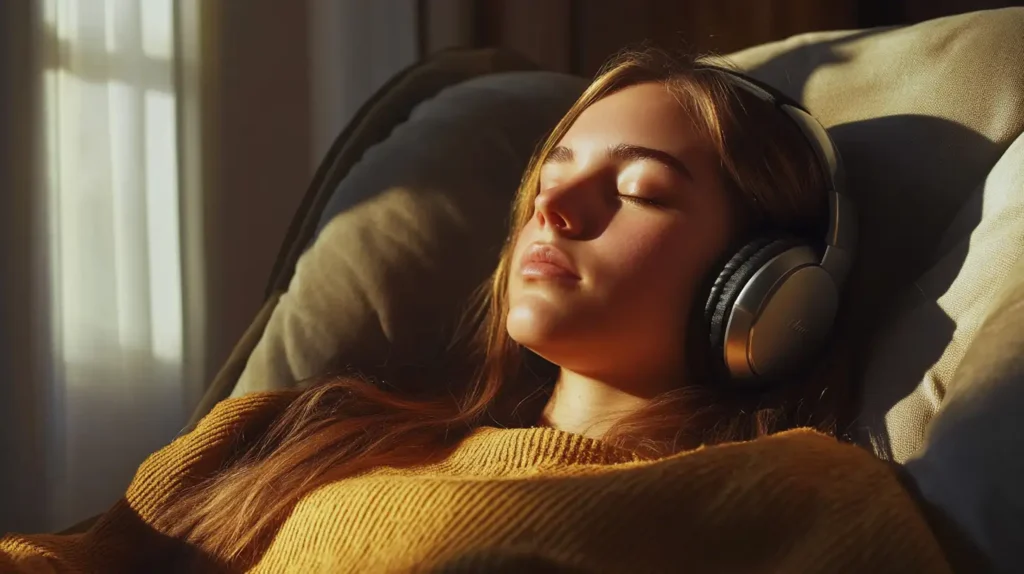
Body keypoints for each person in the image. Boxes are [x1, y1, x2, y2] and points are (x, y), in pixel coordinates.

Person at [0, 49, 955, 573]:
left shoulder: (804, 502)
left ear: (764, 290)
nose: (557, 207)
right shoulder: (305, 428)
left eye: (641, 189)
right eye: (553, 174)